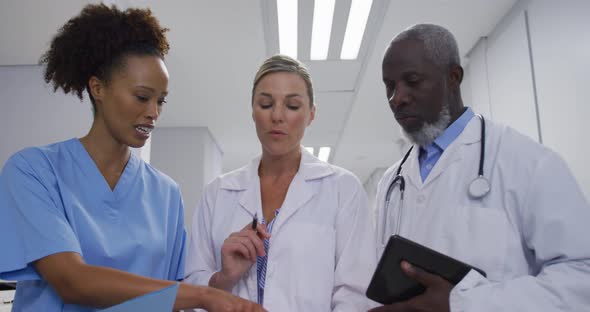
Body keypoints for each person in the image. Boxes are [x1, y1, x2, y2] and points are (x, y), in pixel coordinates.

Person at [0, 4, 264, 311]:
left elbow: (172, 295)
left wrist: (222, 280)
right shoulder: (34, 171)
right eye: (142, 97)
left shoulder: (165, 194)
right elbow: (72, 281)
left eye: (161, 101)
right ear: (97, 88)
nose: (153, 112)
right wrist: (206, 296)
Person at [370, 23, 590, 311]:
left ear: (453, 78)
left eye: (412, 80)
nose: (396, 98)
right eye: (390, 86)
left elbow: (581, 274)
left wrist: (466, 304)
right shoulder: (391, 182)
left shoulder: (528, 162)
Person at [184, 54, 377, 311]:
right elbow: (192, 290)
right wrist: (223, 278)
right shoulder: (218, 193)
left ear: (311, 114)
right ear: (253, 111)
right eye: (265, 104)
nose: (277, 116)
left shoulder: (343, 189)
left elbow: (354, 294)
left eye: (292, 106)